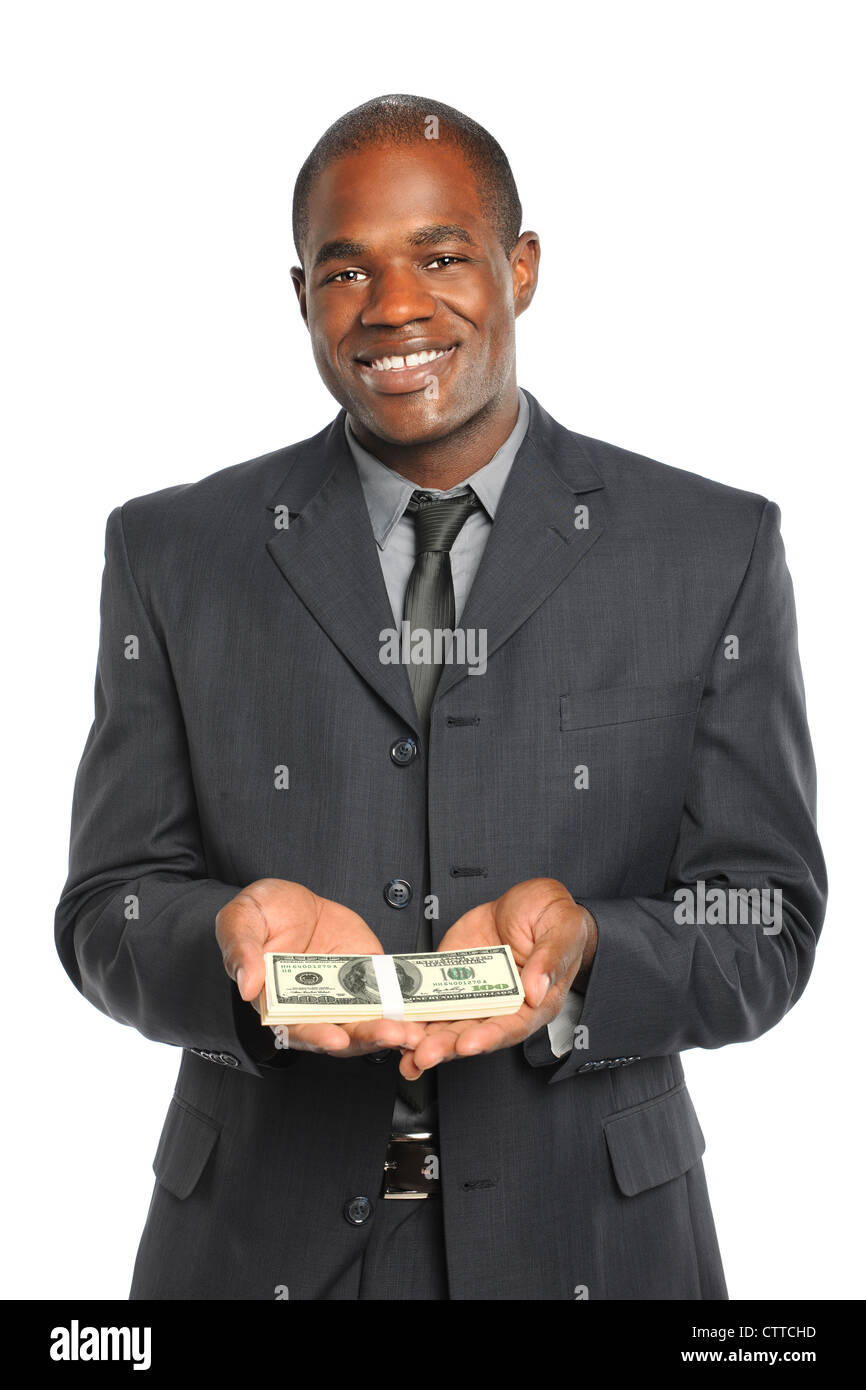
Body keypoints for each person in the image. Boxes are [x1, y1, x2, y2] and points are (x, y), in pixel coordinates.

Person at [55, 93, 827, 1301]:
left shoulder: (706, 548)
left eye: (441, 255)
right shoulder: (171, 552)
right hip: (248, 1248)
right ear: (299, 294)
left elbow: (763, 919)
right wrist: (225, 943)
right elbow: (107, 909)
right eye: (345, 268)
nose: (395, 307)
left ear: (520, 268)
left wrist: (588, 954)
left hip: (597, 1247)